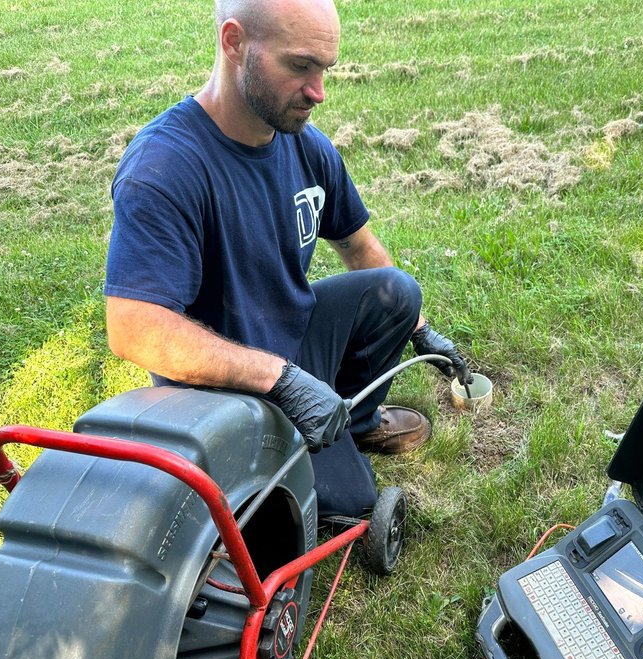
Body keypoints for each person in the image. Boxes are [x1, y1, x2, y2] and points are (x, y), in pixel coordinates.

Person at [104, 0, 470, 518]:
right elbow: (133, 327)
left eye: (325, 69)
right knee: (352, 503)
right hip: (220, 392)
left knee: (397, 291)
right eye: (300, 66)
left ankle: (354, 422)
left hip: (292, 348)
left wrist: (421, 329)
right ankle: (301, 440)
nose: (318, 92)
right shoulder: (165, 166)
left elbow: (361, 249)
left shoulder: (306, 147)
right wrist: (279, 379)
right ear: (234, 42)